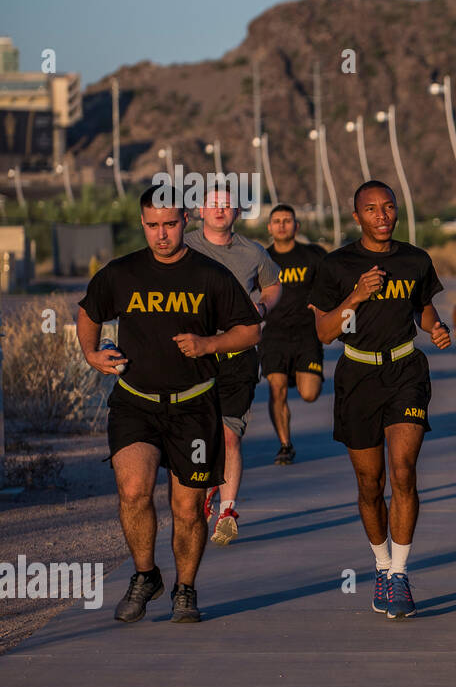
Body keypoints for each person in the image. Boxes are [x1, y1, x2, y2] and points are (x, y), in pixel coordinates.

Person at [76, 185, 262, 623]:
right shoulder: (120, 273)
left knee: (187, 507)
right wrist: (90, 354)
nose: (162, 234)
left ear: (186, 222)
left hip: (194, 407)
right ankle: (145, 575)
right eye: (153, 226)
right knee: (134, 491)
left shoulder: (210, 275)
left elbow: (250, 331)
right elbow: (90, 311)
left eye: (171, 224)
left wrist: (209, 343)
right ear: (142, 224)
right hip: (135, 402)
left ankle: (185, 588)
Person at [309, 180, 451, 619]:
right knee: (371, 486)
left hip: (406, 370)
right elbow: (324, 333)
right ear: (357, 217)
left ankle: (401, 575)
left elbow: (422, 306)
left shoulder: (415, 259)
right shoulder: (337, 266)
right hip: (356, 374)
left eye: (388, 207)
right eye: (371, 209)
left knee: (403, 471)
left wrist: (435, 326)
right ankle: (381, 566)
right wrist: (356, 294)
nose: (382, 216)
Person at [184, 187, 282, 545]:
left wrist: (264, 308)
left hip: (239, 355)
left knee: (228, 436)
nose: (220, 209)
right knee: (197, 437)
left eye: (227, 204)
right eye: (213, 204)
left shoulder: (253, 252)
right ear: (199, 210)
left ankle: (226, 511)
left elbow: (273, 286)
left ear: (238, 211)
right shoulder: (186, 246)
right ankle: (206, 489)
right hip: (194, 355)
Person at [261, 204, 327, 464]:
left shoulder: (313, 256)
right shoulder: (262, 259)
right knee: (276, 389)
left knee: (310, 394)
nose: (282, 225)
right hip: (274, 334)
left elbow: (332, 283)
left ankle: (295, 375)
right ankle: (285, 445)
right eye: (276, 221)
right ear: (269, 227)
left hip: (306, 334)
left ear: (296, 226)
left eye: (287, 220)